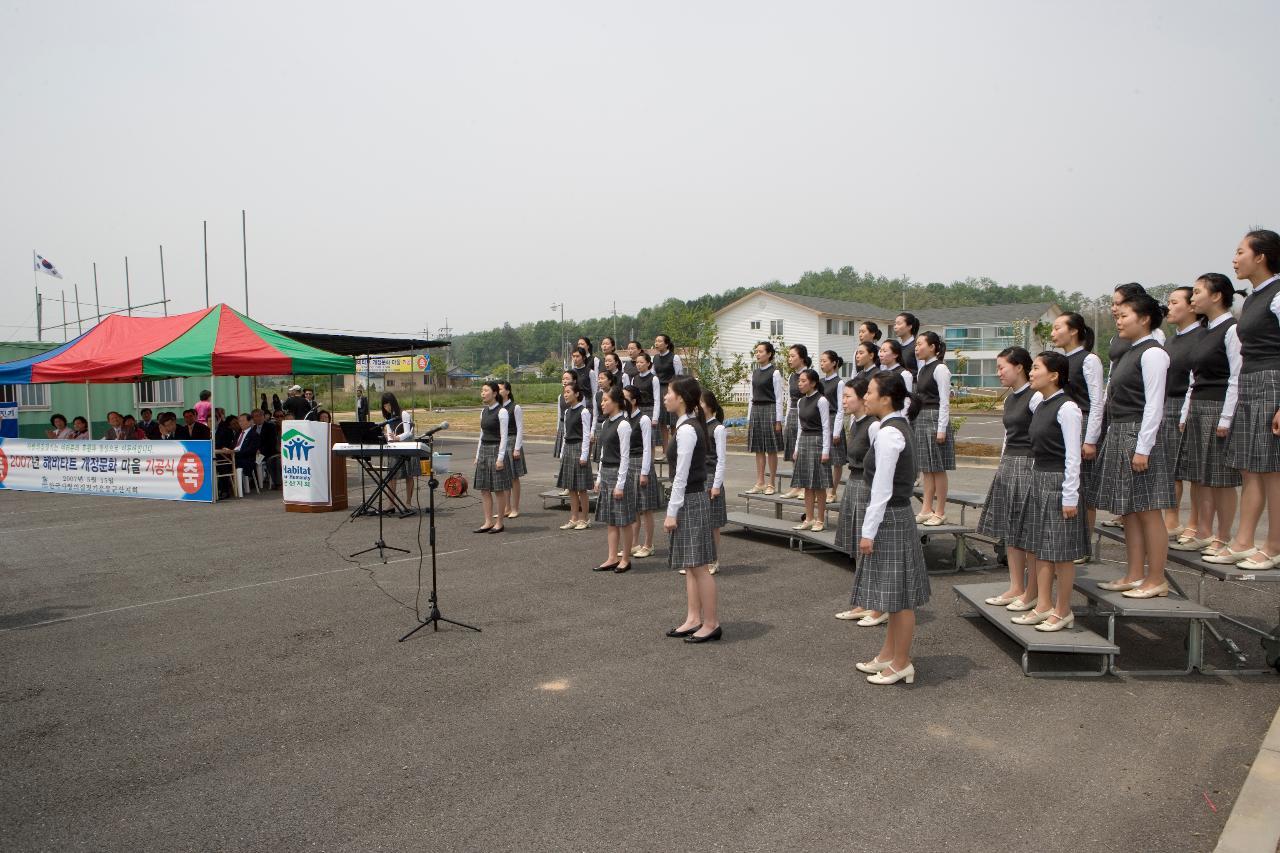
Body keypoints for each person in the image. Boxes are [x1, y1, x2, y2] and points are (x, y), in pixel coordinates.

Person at [1086, 293, 1175, 596]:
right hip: (1122, 432)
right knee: (1130, 511)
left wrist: (1143, 447)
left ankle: (1156, 578)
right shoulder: (1130, 352)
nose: (1118, 320)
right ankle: (1134, 573)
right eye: (1118, 316)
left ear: (1145, 318)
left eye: (1125, 316)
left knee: (1149, 510)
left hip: (1138, 435)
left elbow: (1154, 405)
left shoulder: (1153, 353)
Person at [852, 371, 929, 684]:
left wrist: (868, 531)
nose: (865, 396)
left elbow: (881, 488)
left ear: (885, 398)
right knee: (894, 596)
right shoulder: (894, 425)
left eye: (869, 391)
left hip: (891, 517)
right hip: (896, 516)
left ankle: (902, 662)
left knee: (900, 598)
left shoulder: (887, 433)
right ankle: (888, 654)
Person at [1011, 351, 1090, 630]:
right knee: (1040, 547)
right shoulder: (1041, 403)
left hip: (1058, 482)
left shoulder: (1067, 408)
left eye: (1036, 368)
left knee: (1061, 552)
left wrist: (1070, 496)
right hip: (1039, 478)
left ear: (1054, 375)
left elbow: (1073, 456)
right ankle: (1043, 605)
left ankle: (1063, 610)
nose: (1031, 373)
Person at [1218, 229, 1280, 570]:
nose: (1235, 258)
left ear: (1261, 256)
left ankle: (1274, 546)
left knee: (1273, 470)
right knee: (1251, 468)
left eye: (1240, 251)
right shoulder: (1254, 297)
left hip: (1273, 381)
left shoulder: (1278, 293)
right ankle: (1243, 540)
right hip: (1251, 382)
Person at [1175, 274, 1243, 557]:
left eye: (1199, 292)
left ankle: (1224, 535)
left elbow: (1236, 375)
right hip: (1198, 406)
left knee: (1220, 477)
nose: (1193, 298)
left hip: (1218, 405)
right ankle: (1203, 530)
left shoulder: (1231, 329)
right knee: (1200, 474)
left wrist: (1226, 417)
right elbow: (1194, 376)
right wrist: (1185, 411)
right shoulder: (1204, 331)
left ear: (1216, 296)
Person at [976, 348, 1039, 612]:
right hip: (1010, 463)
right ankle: (1016, 586)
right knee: (1012, 530)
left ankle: (1033, 591)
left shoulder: (1035, 398)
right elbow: (1007, 436)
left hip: (1028, 464)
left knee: (1028, 531)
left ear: (1020, 367)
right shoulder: (1011, 398)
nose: (998, 372)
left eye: (1002, 367)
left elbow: (1043, 434)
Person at [663, 376, 720, 643]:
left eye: (669, 393)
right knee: (690, 564)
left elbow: (681, 475)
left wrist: (672, 512)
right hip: (690, 498)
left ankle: (711, 623)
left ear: (682, 398)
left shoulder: (687, 430)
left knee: (699, 567)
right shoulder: (685, 424)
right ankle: (693, 618)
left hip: (691, 499)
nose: (665, 397)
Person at [833, 376, 884, 626]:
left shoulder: (873, 426)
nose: (844, 401)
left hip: (866, 485)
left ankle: (877, 606)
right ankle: (863, 601)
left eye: (848, 396)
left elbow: (879, 464)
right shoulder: (854, 423)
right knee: (856, 544)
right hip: (853, 483)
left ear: (863, 398)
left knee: (868, 547)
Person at [1053, 311, 1105, 546]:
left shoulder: (1088, 359)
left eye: (1058, 328)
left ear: (1074, 331)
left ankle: (1082, 543)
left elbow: (1096, 401)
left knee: (1083, 489)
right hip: (1063, 425)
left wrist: (1091, 439)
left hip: (1082, 426)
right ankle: (1067, 539)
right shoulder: (1060, 361)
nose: (1053, 333)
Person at [1160, 286, 1204, 538]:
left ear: (1191, 306)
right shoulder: (1171, 339)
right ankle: (1172, 518)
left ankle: (1195, 523)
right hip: (1170, 403)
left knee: (1192, 469)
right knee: (1170, 467)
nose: (1169, 307)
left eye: (1174, 301)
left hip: (1190, 403)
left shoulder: (1201, 336)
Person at [593, 385, 637, 572]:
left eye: (605, 400)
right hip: (607, 473)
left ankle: (625, 559)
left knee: (624, 520)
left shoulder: (624, 424)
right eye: (602, 400)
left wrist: (620, 484)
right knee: (611, 519)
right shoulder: (605, 423)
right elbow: (603, 452)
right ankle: (612, 557)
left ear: (617, 402)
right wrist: (599, 477)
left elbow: (625, 457)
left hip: (620, 475)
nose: (602, 404)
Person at [913, 332, 955, 526]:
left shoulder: (940, 369)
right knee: (926, 469)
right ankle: (926, 508)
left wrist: (942, 428)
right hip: (922, 417)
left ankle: (940, 511)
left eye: (920, 344)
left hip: (935, 417)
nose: (916, 347)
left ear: (932, 347)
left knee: (937, 468)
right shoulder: (922, 368)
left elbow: (945, 401)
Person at [789, 368, 832, 532]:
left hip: (818, 441)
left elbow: (826, 426)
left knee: (819, 485)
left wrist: (826, 450)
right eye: (799, 381)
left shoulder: (821, 400)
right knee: (807, 483)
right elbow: (800, 427)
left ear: (813, 383)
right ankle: (809, 518)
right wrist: (796, 448)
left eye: (803, 381)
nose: (800, 384)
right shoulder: (800, 402)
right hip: (805, 442)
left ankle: (820, 519)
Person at [623, 385, 662, 560]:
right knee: (633, 507)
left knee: (646, 509)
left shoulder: (644, 419)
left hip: (641, 463)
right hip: (629, 464)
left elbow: (648, 448)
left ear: (634, 401)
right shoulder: (624, 418)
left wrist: (645, 472)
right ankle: (633, 544)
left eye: (625, 397)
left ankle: (648, 544)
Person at [744, 341, 785, 496]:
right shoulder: (754, 372)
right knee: (758, 449)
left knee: (771, 449)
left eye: (761, 351)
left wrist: (778, 420)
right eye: (756, 351)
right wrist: (749, 418)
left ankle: (771, 483)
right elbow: (751, 396)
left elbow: (779, 397)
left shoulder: (775, 372)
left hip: (770, 409)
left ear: (769, 354)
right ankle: (760, 482)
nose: (758, 354)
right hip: (756, 410)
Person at [472, 381, 510, 533]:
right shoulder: (483, 411)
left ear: (494, 393)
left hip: (496, 450)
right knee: (484, 489)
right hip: (484, 451)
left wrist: (500, 458)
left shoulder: (502, 412)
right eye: (482, 390)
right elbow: (482, 435)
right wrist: (477, 455)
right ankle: (488, 521)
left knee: (498, 489)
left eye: (486, 390)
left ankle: (499, 522)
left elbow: (504, 436)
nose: (483, 393)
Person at [556, 381, 593, 530]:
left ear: (577, 394)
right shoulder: (567, 411)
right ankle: (574, 518)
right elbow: (565, 434)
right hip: (569, 449)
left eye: (568, 392)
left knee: (581, 488)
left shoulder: (584, 411)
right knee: (571, 487)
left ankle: (585, 519)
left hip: (579, 448)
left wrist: (584, 455)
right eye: (564, 392)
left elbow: (586, 435)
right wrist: (563, 452)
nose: (565, 395)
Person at [701, 389, 728, 576]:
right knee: (700, 522)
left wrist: (716, 485)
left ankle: (713, 559)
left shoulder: (718, 428)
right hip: (699, 477)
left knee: (712, 524)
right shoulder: (698, 426)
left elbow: (721, 459)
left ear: (709, 405)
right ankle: (700, 561)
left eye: (700, 403)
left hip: (711, 477)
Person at [781, 344, 811, 498]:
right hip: (792, 414)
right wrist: (786, 419)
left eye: (793, 356)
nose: (790, 359)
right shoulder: (792, 376)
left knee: (804, 451)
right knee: (794, 451)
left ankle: (806, 486)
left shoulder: (809, 375)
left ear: (802, 358)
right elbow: (788, 399)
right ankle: (796, 485)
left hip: (805, 414)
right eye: (789, 356)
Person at [818, 350, 847, 503]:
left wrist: (836, 431)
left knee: (836, 460)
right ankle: (825, 489)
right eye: (820, 361)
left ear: (834, 363)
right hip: (823, 420)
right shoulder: (821, 382)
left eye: (824, 361)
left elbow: (841, 408)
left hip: (834, 418)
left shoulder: (840, 382)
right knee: (824, 458)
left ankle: (833, 490)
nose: (822, 364)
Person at [497, 381, 525, 518]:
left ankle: (515, 508)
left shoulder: (515, 407)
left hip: (513, 441)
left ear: (508, 391)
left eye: (500, 389)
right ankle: (506, 508)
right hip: (502, 442)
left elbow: (520, 429)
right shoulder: (498, 408)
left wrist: (517, 448)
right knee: (505, 477)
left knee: (514, 477)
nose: (498, 391)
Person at [652, 334, 683, 449]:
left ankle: (675, 450)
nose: (657, 343)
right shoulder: (655, 358)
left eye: (660, 341)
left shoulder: (674, 358)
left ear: (666, 344)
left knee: (673, 422)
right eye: (656, 341)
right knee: (662, 423)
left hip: (672, 390)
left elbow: (679, 375)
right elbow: (653, 374)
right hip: (659, 390)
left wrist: (676, 390)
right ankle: (665, 451)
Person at [878, 340, 914, 417]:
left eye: (884, 351)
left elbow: (906, 401)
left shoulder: (904, 374)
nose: (881, 354)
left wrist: (903, 420)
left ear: (895, 354)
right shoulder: (881, 374)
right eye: (880, 351)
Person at [631, 352, 662, 440]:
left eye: (641, 362)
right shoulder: (634, 379)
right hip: (637, 411)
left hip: (650, 410)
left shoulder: (654, 378)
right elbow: (631, 397)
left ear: (648, 363)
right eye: (637, 362)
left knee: (650, 440)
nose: (638, 365)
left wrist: (655, 417)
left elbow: (657, 399)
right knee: (638, 439)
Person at [254, 408, 282, 489]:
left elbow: (271, 442)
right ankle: (254, 480)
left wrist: (261, 450)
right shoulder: (253, 429)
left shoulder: (270, 426)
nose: (258, 418)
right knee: (249, 459)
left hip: (268, 452)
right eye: (255, 416)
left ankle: (274, 483)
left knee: (257, 461)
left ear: (263, 416)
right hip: (256, 452)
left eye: (260, 416)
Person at [894, 312, 920, 377]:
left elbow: (922, 371)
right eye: (895, 324)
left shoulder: (917, 347)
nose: (895, 327)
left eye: (899, 324)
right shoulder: (897, 347)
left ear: (909, 326)